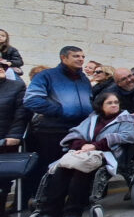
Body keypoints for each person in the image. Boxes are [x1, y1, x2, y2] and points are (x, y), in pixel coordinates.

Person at [16, 92, 134, 217]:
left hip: (108, 154)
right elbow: (75, 133)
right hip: (85, 154)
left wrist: (95, 145)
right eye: (110, 103)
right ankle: (48, 215)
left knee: (82, 170)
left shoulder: (125, 119)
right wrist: (83, 145)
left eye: (116, 102)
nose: (114, 105)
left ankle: (72, 213)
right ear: (101, 106)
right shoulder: (93, 118)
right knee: (62, 169)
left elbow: (127, 136)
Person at [23, 46, 93, 204]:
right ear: (64, 58)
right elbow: (31, 100)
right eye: (76, 56)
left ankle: (68, 204)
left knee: (73, 168)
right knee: (52, 169)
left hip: (78, 131)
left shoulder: (83, 79)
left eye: (82, 56)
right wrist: (61, 110)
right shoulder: (46, 76)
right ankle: (46, 205)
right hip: (52, 131)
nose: (81, 59)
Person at [0, 61, 30, 217]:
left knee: (2, 179)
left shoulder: (16, 87)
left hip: (5, 138)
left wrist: (14, 135)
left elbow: (21, 114)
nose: (1, 68)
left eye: (3, 66)